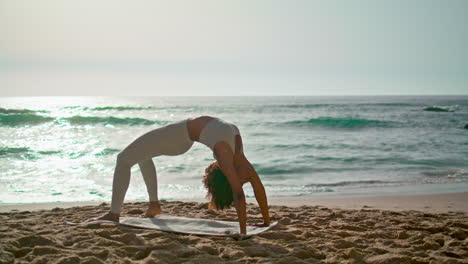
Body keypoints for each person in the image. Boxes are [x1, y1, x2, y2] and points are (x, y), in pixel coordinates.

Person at [96, 116, 270, 234]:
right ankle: (154, 205)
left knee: (123, 159)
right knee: (142, 154)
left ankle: (114, 213)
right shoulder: (242, 160)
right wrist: (266, 222)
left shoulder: (224, 153)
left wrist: (243, 232)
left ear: (224, 171)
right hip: (182, 136)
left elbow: (238, 194)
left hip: (178, 136)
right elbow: (258, 189)